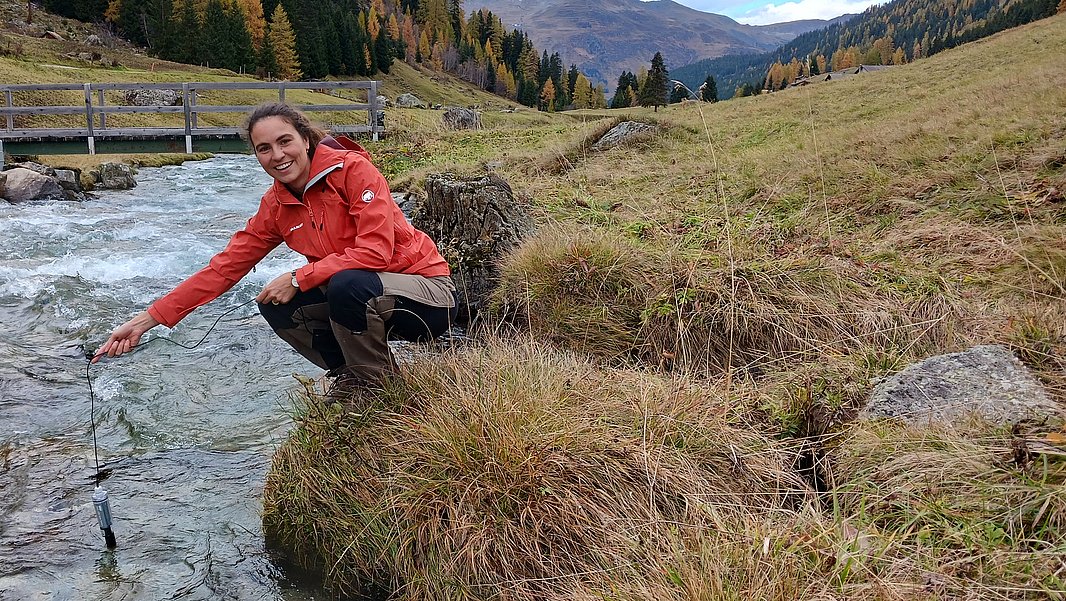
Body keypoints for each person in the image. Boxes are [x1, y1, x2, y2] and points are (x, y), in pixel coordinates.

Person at [94, 102, 457, 387]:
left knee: (346, 283)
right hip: (365, 301)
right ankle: (359, 378)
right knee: (274, 302)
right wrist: (147, 320)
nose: (278, 155)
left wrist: (300, 277)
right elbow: (224, 268)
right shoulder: (276, 206)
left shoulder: (353, 171)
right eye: (264, 148)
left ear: (305, 139)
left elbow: (375, 251)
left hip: (427, 297)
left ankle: (378, 392)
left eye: (285, 141)